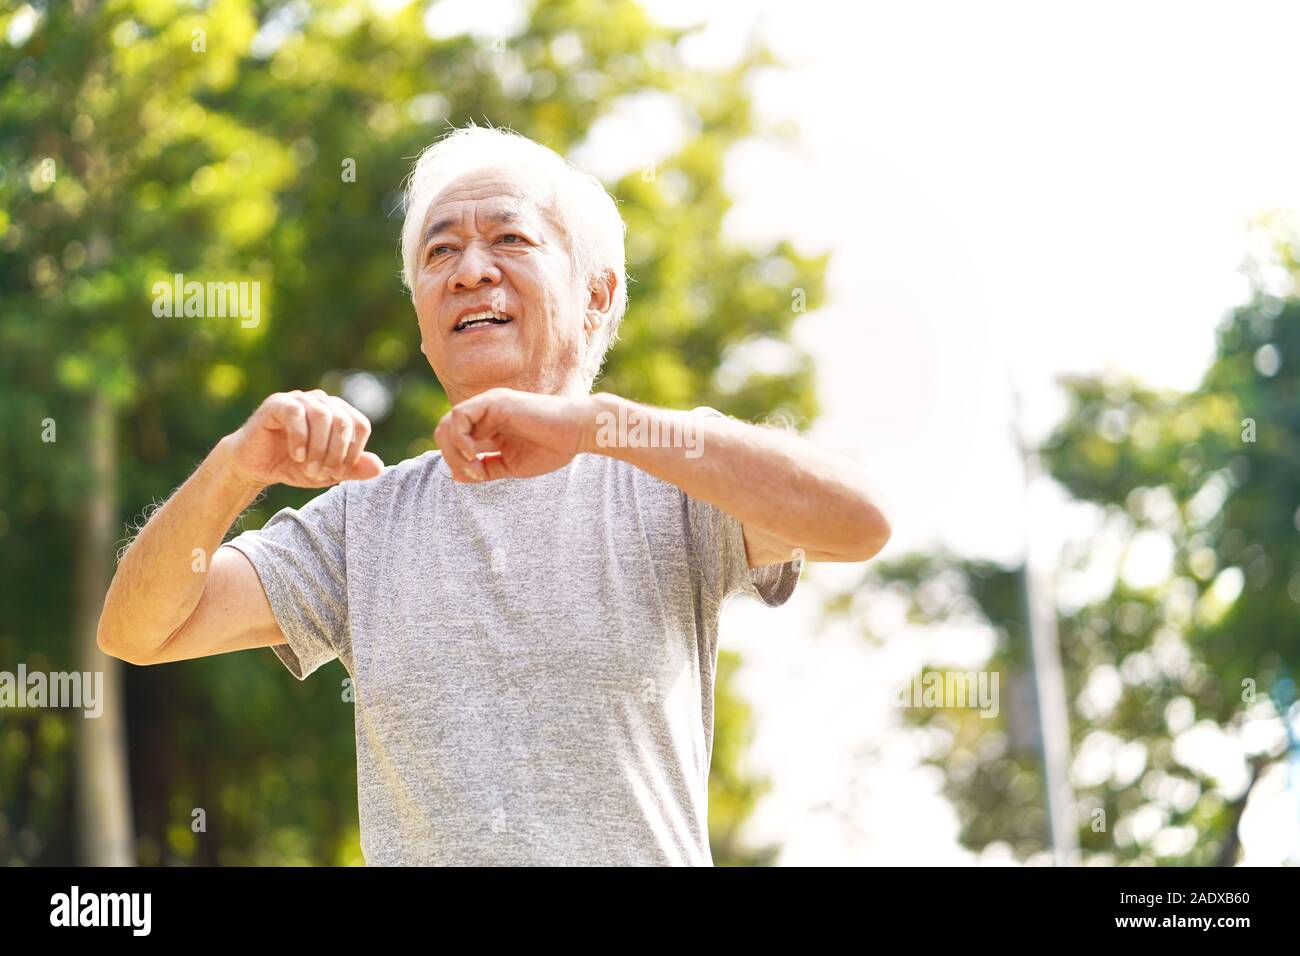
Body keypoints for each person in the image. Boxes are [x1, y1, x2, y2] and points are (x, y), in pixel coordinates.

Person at [97, 125, 891, 865]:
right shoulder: (363, 520)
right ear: (422, 321)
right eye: (440, 253)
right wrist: (234, 468)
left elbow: (859, 521)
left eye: (510, 238)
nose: (471, 269)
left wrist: (598, 426)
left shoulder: (670, 475)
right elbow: (139, 630)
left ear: (597, 297)